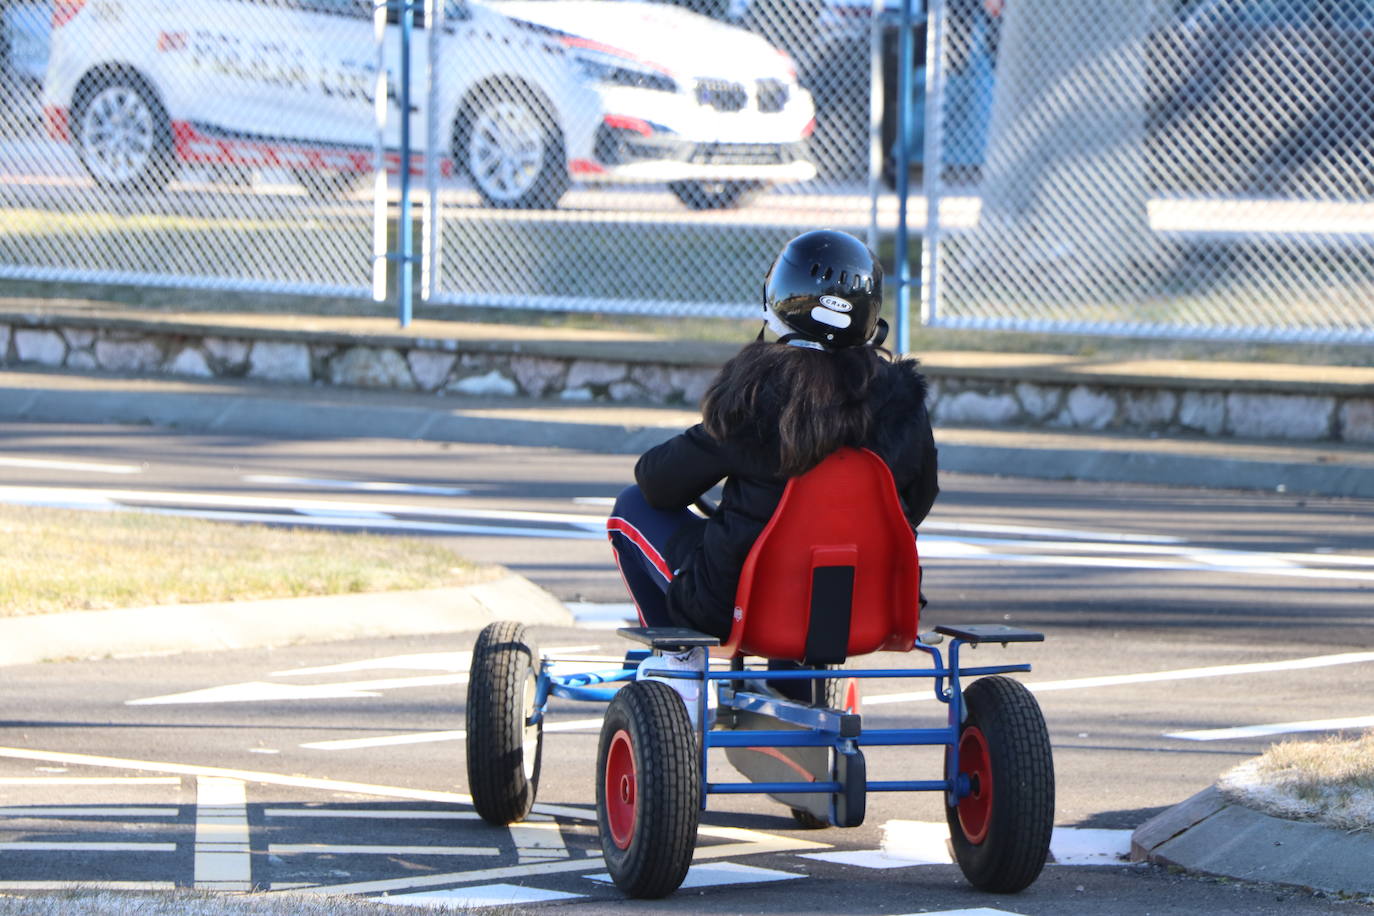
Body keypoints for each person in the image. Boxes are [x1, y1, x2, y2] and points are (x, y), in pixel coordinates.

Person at [606, 229, 939, 652]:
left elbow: (658, 482)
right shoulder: (902, 401)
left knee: (630, 506)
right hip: (869, 605)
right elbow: (920, 499)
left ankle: (677, 671)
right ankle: (793, 688)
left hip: (740, 607)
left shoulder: (758, 393)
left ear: (779, 296)